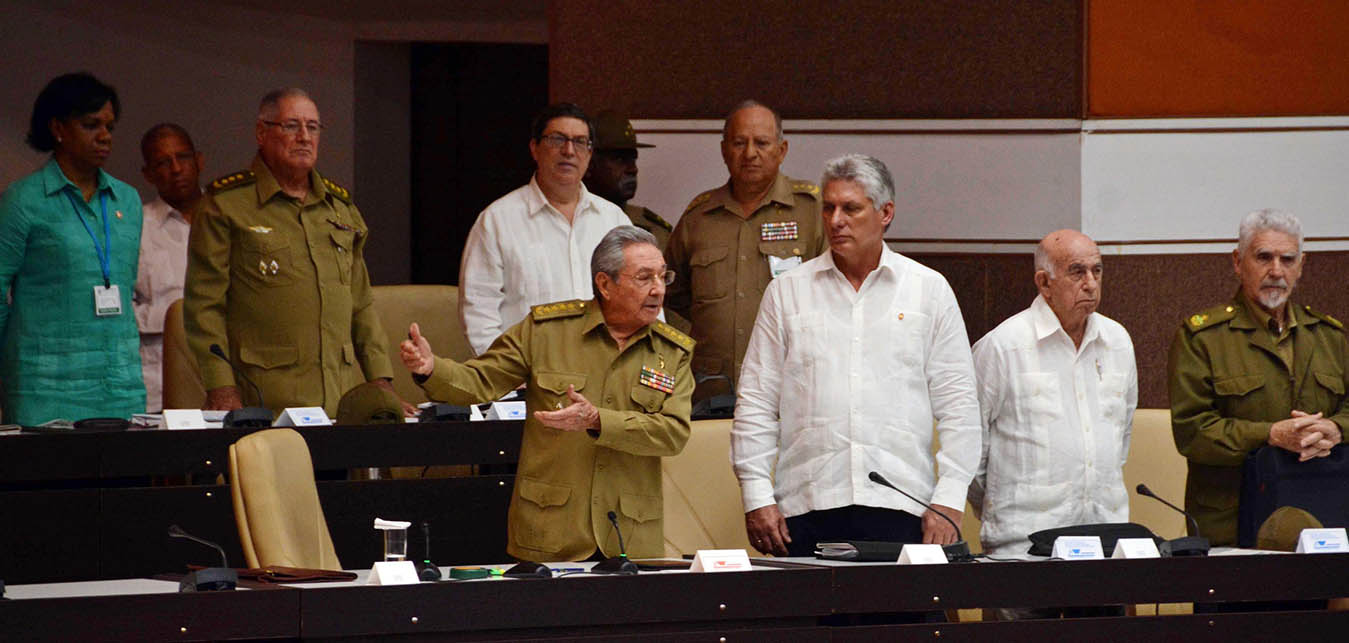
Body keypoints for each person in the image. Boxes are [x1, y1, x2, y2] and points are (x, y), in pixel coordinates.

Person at [732, 154, 979, 558]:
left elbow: (960, 407)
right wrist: (756, 494)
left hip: (902, 506)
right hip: (806, 506)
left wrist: (950, 496)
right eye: (828, 208)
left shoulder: (928, 291)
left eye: (851, 208)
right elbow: (757, 402)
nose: (835, 220)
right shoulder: (788, 292)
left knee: (900, 623)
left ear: (886, 213)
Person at [402, 226, 693, 562]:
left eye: (662, 276)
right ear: (605, 284)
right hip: (552, 531)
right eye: (644, 277)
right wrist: (430, 368)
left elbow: (673, 433)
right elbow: (480, 380)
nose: (658, 289)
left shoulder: (673, 351)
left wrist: (599, 420)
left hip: (629, 535)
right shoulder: (547, 331)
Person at [185, 88, 404, 418]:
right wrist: (221, 387)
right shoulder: (226, 206)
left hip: (340, 400)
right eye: (291, 126)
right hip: (266, 400)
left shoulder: (341, 209)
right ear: (262, 132)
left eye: (313, 127)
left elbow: (361, 303)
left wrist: (381, 380)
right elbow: (204, 306)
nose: (304, 136)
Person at [969, 230, 1137, 620]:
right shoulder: (1002, 347)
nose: (1091, 283)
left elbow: (1120, 439)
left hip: (1104, 548)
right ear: (1044, 283)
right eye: (1077, 272)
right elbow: (972, 458)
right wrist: (1000, 512)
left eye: (1097, 270)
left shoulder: (1118, 342)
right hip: (1021, 554)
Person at [1168, 209, 1345, 546]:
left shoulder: (1330, 336)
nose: (1276, 271)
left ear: (1301, 266)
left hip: (1320, 517)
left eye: (1287, 259)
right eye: (1263, 257)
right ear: (1238, 262)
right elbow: (1193, 433)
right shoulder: (1203, 338)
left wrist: (1336, 429)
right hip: (1230, 523)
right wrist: (1271, 434)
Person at [0, 72, 144, 425]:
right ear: (58, 128)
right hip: (45, 387)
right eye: (91, 125)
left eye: (110, 126)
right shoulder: (23, 201)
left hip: (119, 385)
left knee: (127, 480)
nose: (105, 136)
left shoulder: (128, 200)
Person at [665, 100, 826, 398]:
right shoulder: (698, 217)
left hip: (790, 386)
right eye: (740, 142)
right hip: (710, 388)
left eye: (762, 143)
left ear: (782, 149)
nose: (750, 153)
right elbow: (668, 296)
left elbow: (839, 293)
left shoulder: (813, 211)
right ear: (724, 149)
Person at [459, 103, 629, 356]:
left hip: (606, 378)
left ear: (590, 154)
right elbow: (479, 312)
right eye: (557, 139)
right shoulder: (497, 221)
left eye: (580, 142)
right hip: (526, 381)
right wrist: (502, 374)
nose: (569, 151)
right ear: (534, 148)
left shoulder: (613, 220)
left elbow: (641, 296)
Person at [135, 123, 204, 412]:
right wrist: (174, 314)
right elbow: (118, 310)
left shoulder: (229, 219)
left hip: (224, 381)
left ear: (199, 161)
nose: (176, 169)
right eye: (163, 162)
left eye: (183, 157)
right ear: (148, 174)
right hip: (156, 387)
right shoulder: (136, 225)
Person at [583, 110, 672, 250]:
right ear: (589, 164)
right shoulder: (572, 225)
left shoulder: (654, 230)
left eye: (633, 159)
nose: (633, 169)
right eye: (620, 159)